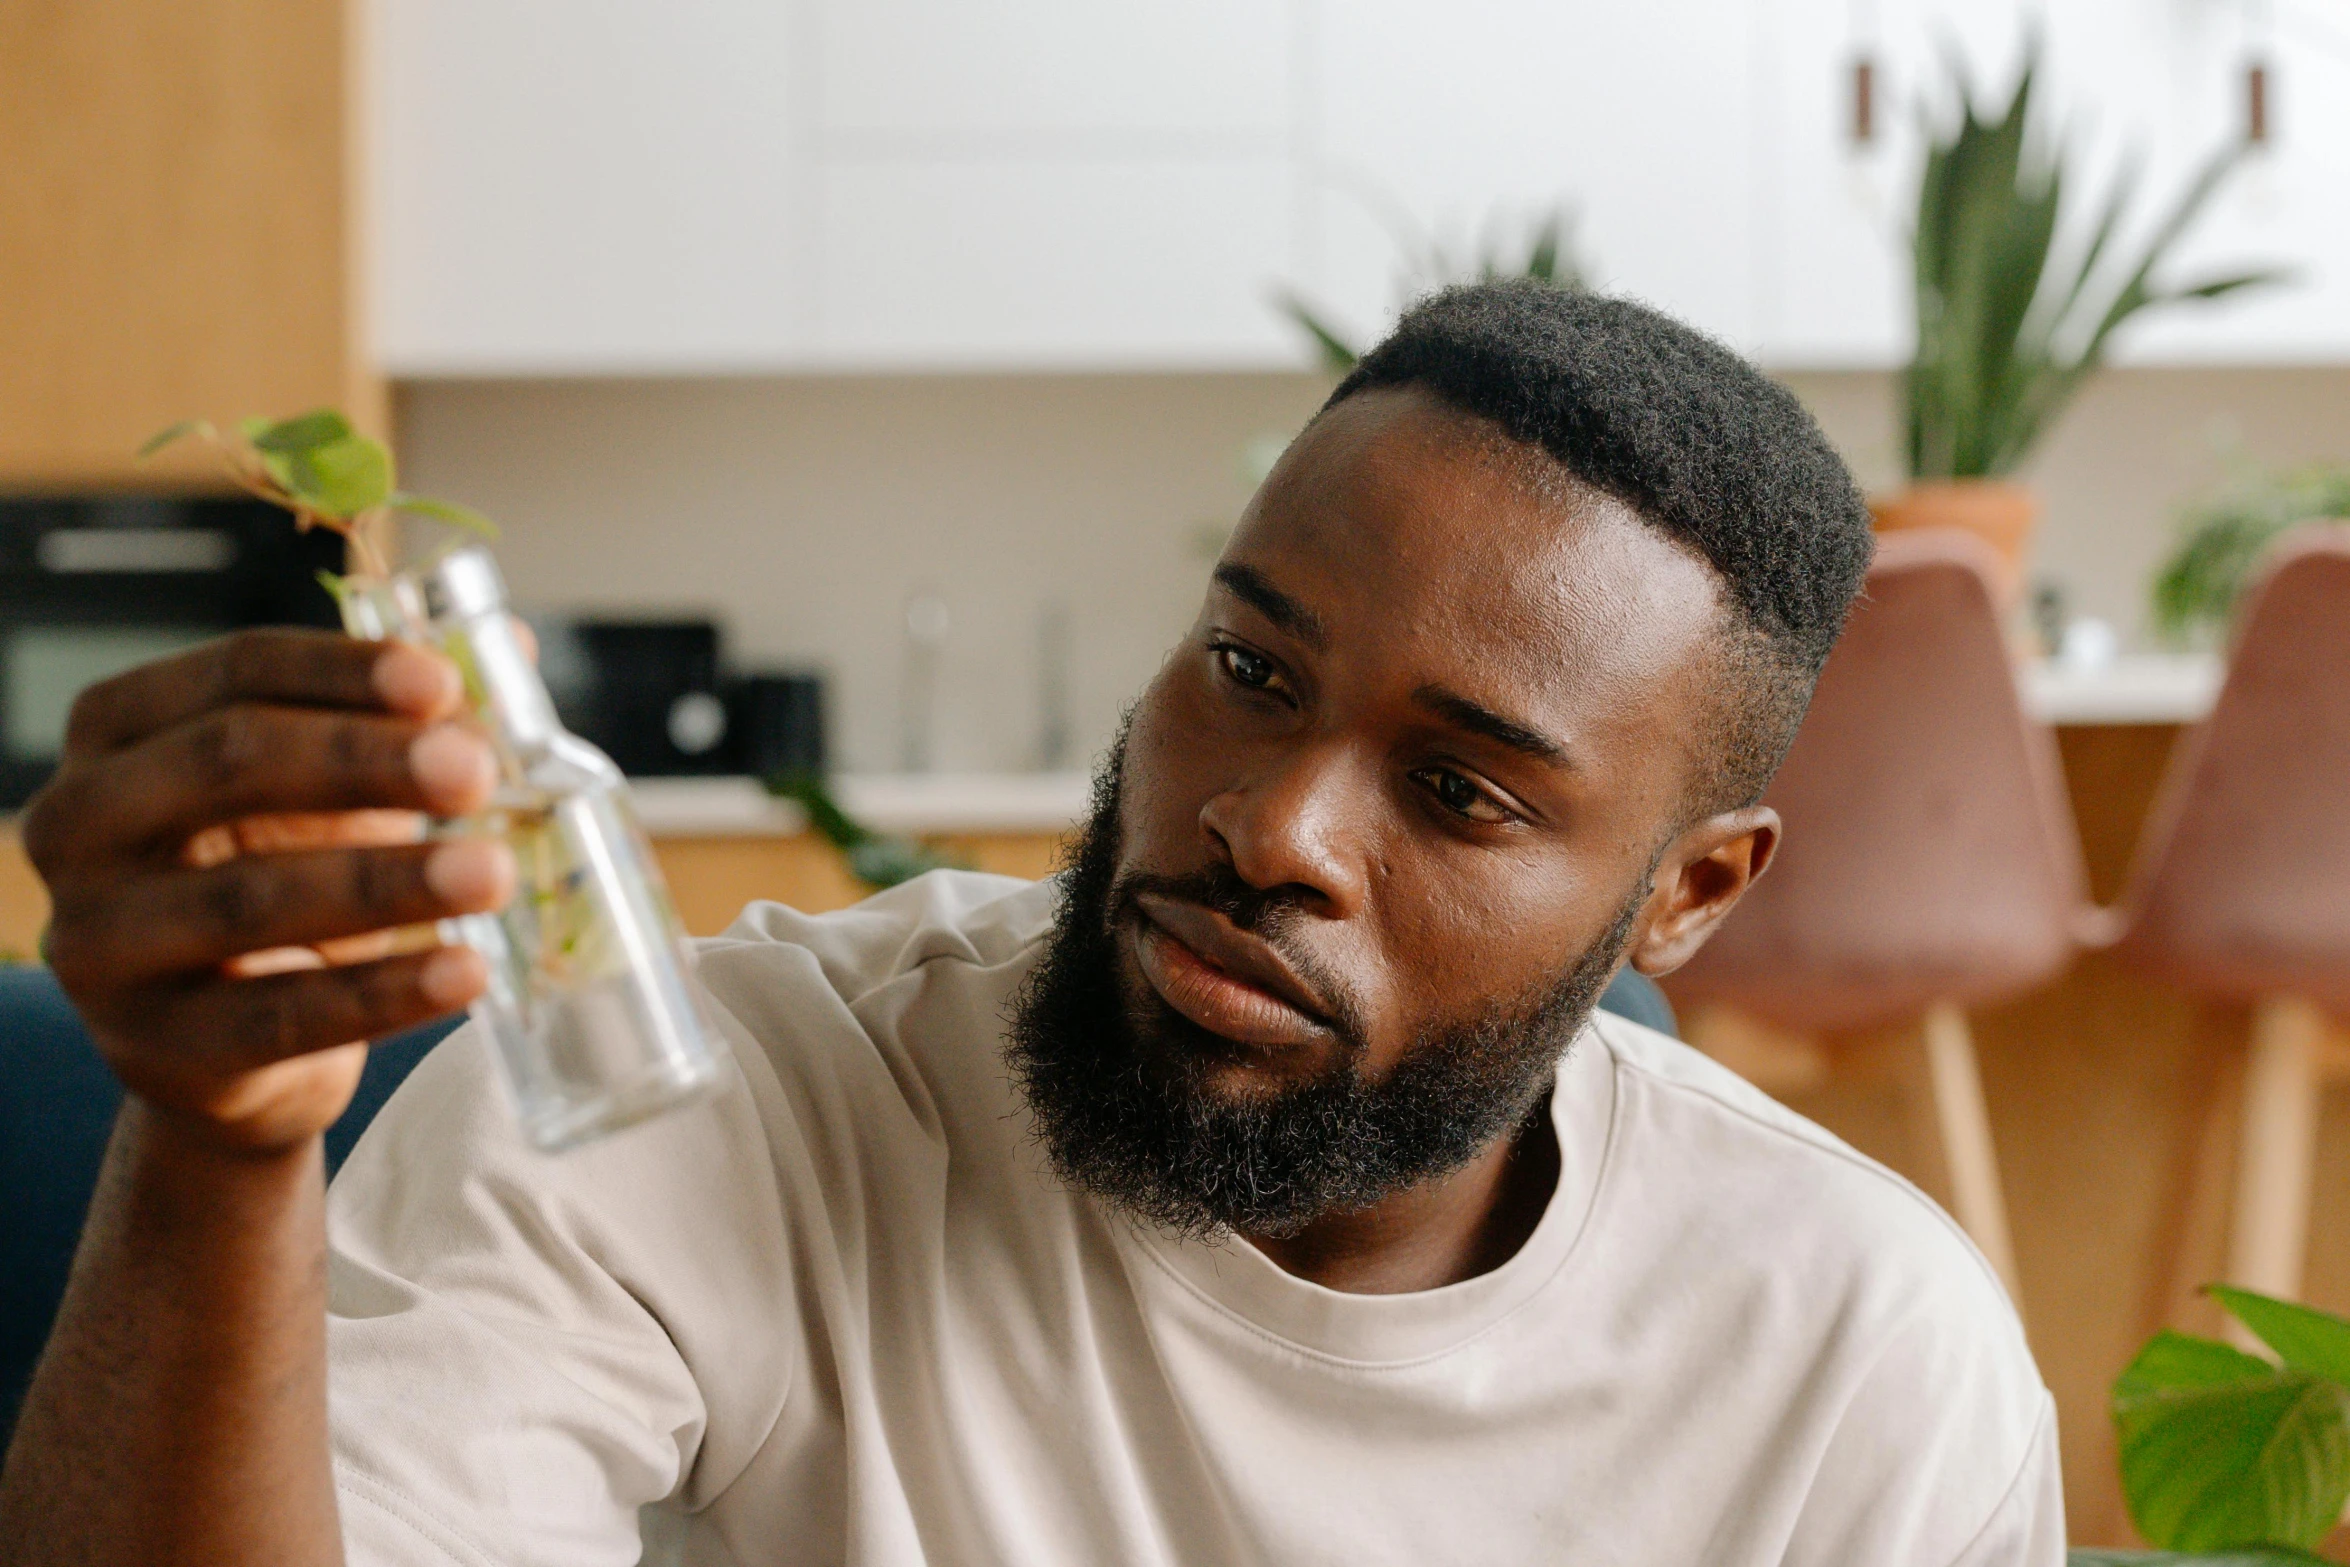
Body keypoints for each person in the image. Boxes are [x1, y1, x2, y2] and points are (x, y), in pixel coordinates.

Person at [0, 282, 2062, 1565]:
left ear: (1683, 892)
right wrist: (216, 1149)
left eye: (1456, 792)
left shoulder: (1859, 1368)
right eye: (1250, 671)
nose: (1272, 830)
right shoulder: (730, 1104)